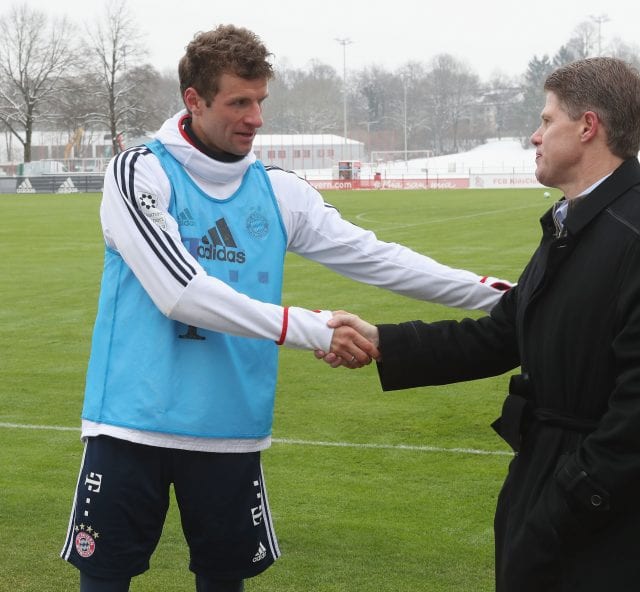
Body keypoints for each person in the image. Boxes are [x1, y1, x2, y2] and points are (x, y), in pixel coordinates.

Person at [59, 24, 510, 592]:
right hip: (130, 425)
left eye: (261, 101)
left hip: (229, 428)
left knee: (224, 581)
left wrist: (509, 294)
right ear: (193, 100)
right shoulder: (139, 172)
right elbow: (182, 293)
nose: (256, 118)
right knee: (105, 579)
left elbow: (376, 258)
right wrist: (310, 328)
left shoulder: (279, 190)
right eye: (239, 102)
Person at [326, 57, 640, 591]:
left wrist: (569, 499)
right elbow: (503, 333)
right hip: (551, 479)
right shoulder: (572, 225)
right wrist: (384, 341)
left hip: (622, 515)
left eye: (546, 120)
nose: (534, 136)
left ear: (588, 127)